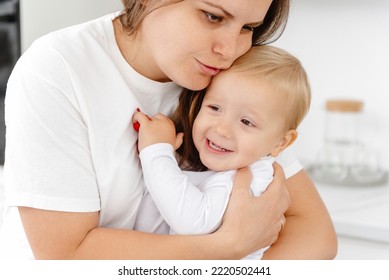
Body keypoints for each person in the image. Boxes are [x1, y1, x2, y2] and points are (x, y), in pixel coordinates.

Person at [0, 0, 337, 259]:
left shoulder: (223, 76)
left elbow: (315, 232)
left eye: (248, 27)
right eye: (213, 16)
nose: (229, 49)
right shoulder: (58, 69)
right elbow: (66, 254)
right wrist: (228, 245)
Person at [133, 45, 311, 260]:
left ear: (281, 143)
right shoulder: (232, 165)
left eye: (246, 122)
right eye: (215, 108)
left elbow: (192, 221)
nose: (221, 129)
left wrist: (156, 151)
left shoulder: (251, 180)